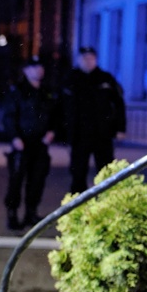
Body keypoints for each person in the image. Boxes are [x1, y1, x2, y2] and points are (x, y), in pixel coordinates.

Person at [2, 56, 58, 230]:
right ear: (26, 71)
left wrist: (52, 132)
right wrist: (15, 137)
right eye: (34, 67)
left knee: (37, 180)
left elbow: (55, 116)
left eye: (40, 67)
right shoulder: (17, 91)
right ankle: (12, 215)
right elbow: (9, 117)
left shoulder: (47, 92)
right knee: (16, 180)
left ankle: (30, 213)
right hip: (22, 144)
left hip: (40, 144)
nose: (38, 70)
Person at [62, 46, 126, 194]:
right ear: (79, 60)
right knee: (78, 172)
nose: (88, 61)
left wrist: (121, 128)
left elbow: (119, 104)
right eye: (85, 58)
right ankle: (78, 205)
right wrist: (62, 132)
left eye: (91, 58)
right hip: (79, 134)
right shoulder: (71, 79)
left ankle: (106, 202)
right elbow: (61, 107)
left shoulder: (106, 79)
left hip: (102, 133)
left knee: (106, 170)